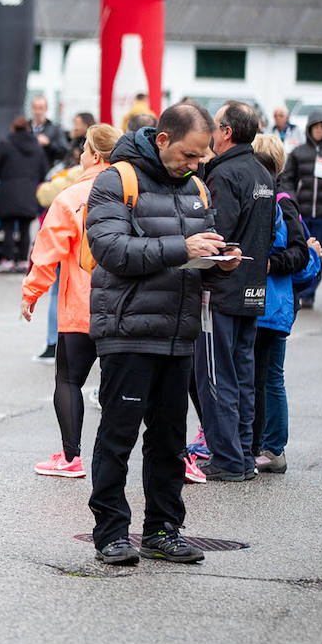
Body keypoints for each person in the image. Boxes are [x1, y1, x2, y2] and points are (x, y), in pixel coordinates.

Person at [84, 104, 240, 566]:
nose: (196, 165)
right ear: (162, 140)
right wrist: (183, 248)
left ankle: (163, 530)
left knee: (170, 441)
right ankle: (111, 533)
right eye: (190, 155)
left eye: (202, 158)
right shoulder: (116, 181)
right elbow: (112, 250)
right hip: (128, 331)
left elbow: (197, 257)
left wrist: (219, 264)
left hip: (179, 332)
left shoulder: (195, 188)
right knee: (118, 437)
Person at [20, 123, 120, 478]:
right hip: (123, 307)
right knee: (119, 385)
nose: (79, 154)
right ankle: (112, 458)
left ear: (94, 154)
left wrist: (31, 292)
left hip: (80, 305)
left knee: (68, 379)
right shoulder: (133, 191)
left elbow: (47, 251)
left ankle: (70, 456)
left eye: (83, 148)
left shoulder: (72, 197)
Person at [193, 101, 275, 482]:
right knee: (243, 375)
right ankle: (242, 455)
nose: (211, 130)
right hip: (252, 288)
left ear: (226, 132)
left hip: (222, 289)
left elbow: (216, 235)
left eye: (215, 123)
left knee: (216, 375)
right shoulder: (262, 172)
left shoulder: (224, 175)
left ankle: (227, 458)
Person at [248, 134, 309, 475]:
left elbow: (299, 253)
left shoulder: (281, 200)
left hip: (274, 303)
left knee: (268, 377)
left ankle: (271, 448)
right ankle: (268, 447)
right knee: (268, 376)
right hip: (275, 303)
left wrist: (270, 264)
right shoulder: (276, 196)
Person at [279, 110, 322, 306]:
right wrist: (294, 201)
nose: (319, 131)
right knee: (302, 249)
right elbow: (287, 179)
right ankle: (302, 288)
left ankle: (310, 293)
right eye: (316, 127)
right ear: (309, 129)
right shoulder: (298, 153)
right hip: (302, 211)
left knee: (319, 251)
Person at [0, 116, 50, 272]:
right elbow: (43, 171)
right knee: (25, 228)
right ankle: (21, 260)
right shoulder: (37, 147)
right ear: (28, 128)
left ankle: (8, 260)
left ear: (13, 128)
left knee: (8, 228)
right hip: (29, 192)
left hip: (8, 192)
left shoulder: (4, 144)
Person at [29, 95, 68, 165]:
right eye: (35, 108)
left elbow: (63, 152)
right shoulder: (25, 128)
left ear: (46, 109)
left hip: (47, 168)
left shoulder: (56, 129)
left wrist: (48, 144)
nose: (37, 112)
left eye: (41, 108)